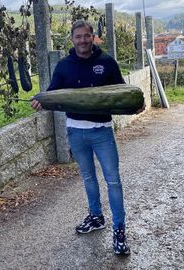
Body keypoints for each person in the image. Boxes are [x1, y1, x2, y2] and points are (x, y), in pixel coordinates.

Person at [31, 20, 130, 255]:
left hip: (102, 131)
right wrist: (40, 100)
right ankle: (96, 217)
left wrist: (133, 105)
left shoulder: (106, 62)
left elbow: (122, 93)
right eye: (78, 36)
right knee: (88, 178)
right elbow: (53, 91)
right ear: (72, 39)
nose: (83, 40)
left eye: (87, 36)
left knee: (113, 181)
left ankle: (119, 229)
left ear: (92, 37)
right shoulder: (64, 66)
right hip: (75, 131)